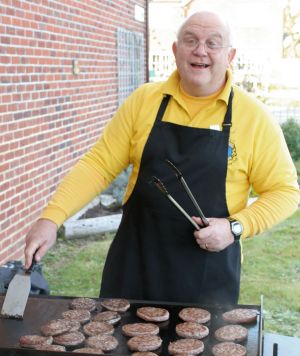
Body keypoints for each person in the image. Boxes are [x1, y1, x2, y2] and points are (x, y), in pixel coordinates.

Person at [24, 11, 299, 304]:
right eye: (190, 40)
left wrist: (235, 227)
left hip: (206, 276)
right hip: (133, 265)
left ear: (230, 54)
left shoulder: (254, 117)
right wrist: (52, 218)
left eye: (212, 43)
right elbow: (99, 165)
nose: (200, 50)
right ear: (175, 49)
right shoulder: (144, 101)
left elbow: (285, 192)